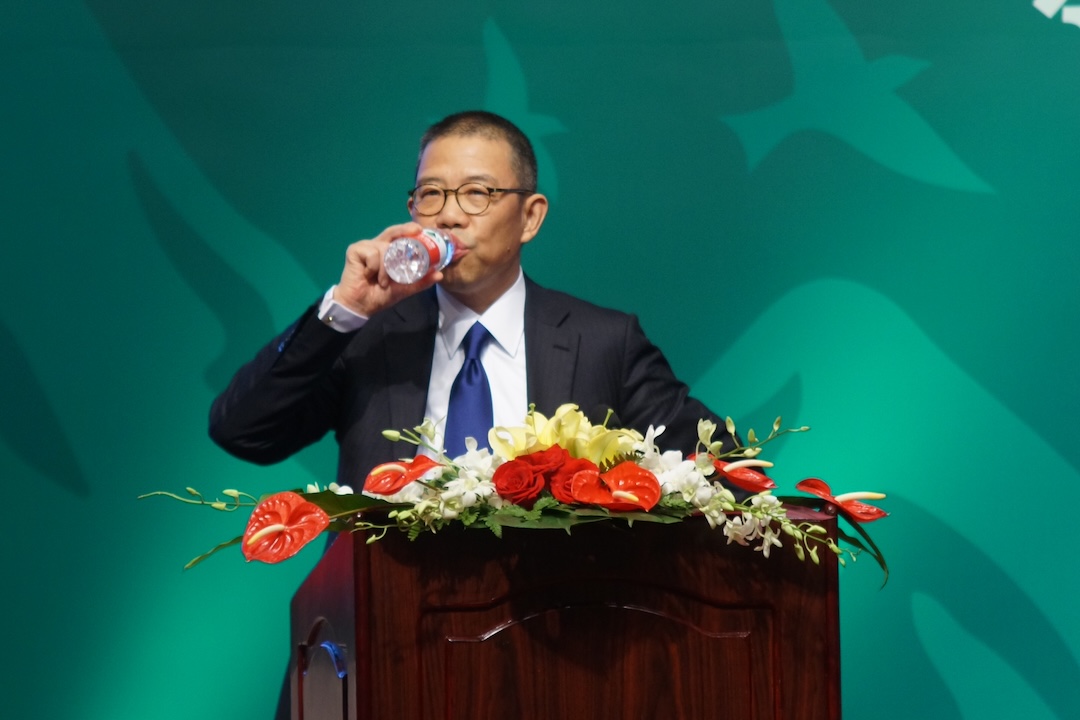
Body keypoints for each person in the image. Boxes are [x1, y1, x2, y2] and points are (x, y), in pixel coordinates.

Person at [209, 109, 736, 493]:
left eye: (477, 194)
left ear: (530, 216)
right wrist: (343, 308)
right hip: (387, 622)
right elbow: (243, 434)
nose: (448, 217)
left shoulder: (603, 342)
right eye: (430, 194)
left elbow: (726, 472)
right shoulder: (370, 336)